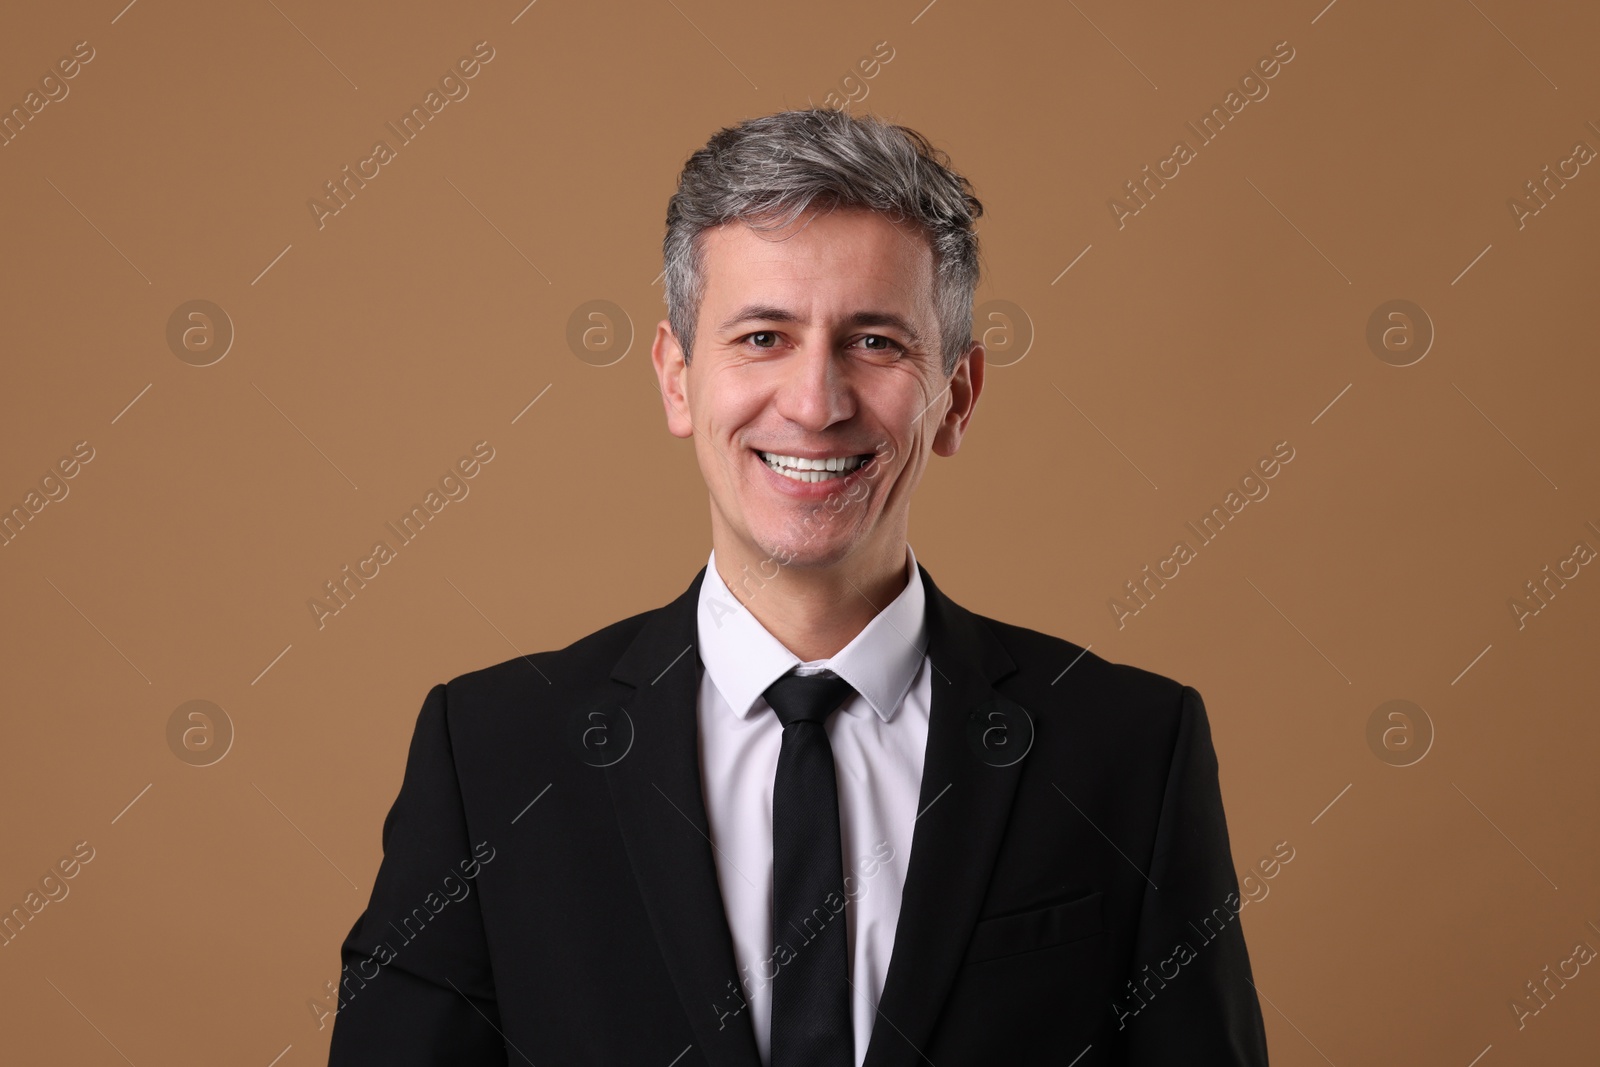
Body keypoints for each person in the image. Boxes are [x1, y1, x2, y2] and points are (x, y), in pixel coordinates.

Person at [326, 107, 1270, 1066]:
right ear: (677, 380)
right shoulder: (491, 757)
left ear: (958, 396)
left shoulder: (1130, 753)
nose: (816, 403)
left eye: (876, 342)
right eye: (764, 337)